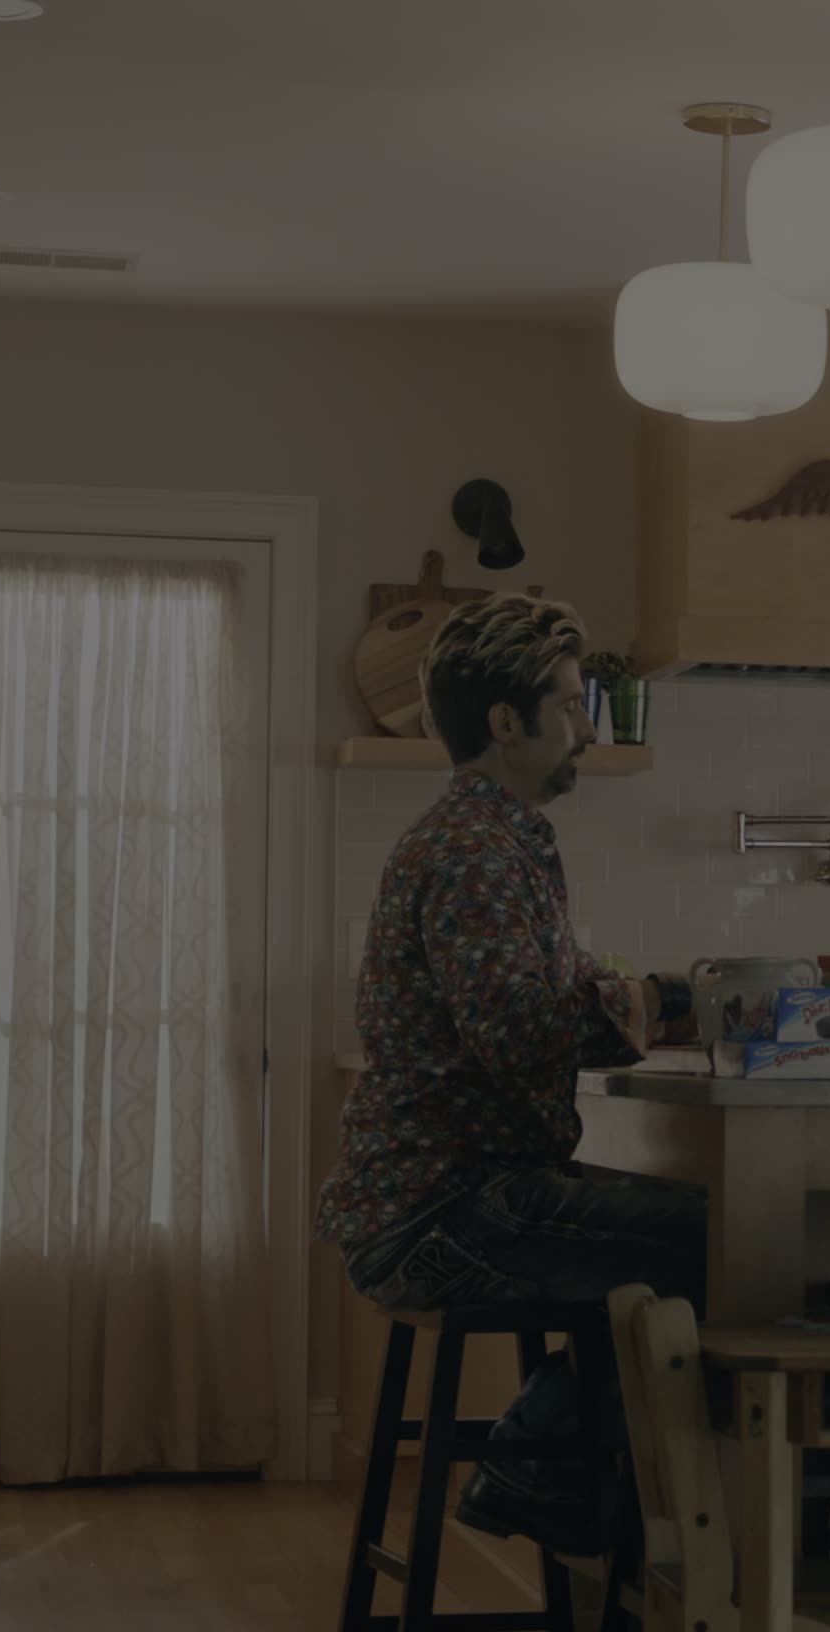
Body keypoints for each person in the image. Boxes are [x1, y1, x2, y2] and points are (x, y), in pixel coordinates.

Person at [317, 591, 700, 1554]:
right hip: (445, 1211)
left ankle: (575, 1483)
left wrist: (642, 1000)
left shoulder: (495, 841)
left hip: (447, 1199)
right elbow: (523, 1029)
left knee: (689, 1244)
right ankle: (540, 1466)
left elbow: (552, 1001)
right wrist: (653, 1000)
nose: (586, 730)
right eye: (569, 706)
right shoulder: (474, 855)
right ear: (505, 722)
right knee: (728, 1244)